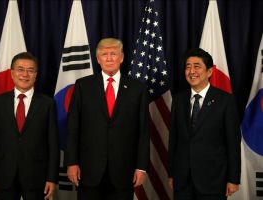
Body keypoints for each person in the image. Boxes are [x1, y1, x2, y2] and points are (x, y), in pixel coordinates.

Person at [64, 38, 149, 200]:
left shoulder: (138, 89)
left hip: (124, 171)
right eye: (104, 54)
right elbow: (73, 127)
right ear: (97, 59)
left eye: (113, 54)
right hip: (88, 170)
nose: (109, 58)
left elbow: (143, 131)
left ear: (122, 57)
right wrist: (71, 162)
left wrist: (141, 167)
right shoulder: (83, 86)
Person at [0, 52, 59, 200]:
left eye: (30, 70)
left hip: (36, 176)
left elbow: (53, 144)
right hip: (4, 175)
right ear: (12, 73)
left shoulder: (47, 103)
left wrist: (52, 178)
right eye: (20, 69)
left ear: (36, 75)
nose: (25, 74)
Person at [167, 48, 241, 200]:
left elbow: (233, 143)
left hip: (213, 180)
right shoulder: (179, 100)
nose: (191, 71)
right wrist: (172, 173)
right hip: (182, 181)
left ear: (209, 72)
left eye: (197, 66)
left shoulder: (225, 101)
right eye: (188, 67)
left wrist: (233, 178)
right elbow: (174, 140)